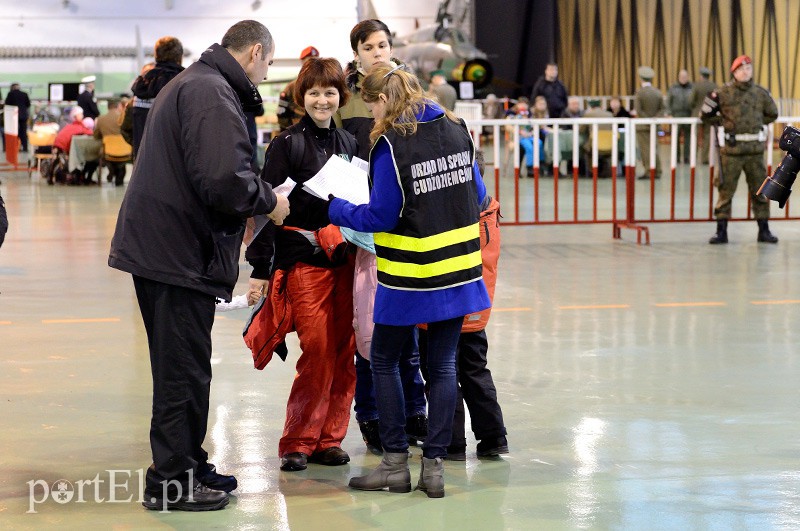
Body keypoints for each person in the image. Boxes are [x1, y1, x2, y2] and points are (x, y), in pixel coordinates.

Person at [108, 20, 290, 512]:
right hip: (175, 252)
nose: (265, 73)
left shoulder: (199, 83)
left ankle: (186, 460)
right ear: (255, 52)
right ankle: (172, 481)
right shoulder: (211, 93)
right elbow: (224, 180)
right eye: (269, 64)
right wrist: (268, 200)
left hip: (168, 247)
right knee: (182, 372)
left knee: (185, 369)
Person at [333, 64, 491, 499]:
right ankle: (434, 469)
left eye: (370, 107)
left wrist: (338, 209)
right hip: (458, 269)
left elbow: (381, 216)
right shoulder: (457, 128)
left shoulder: (391, 144)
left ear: (381, 99)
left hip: (409, 276)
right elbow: (479, 196)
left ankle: (394, 465)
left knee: (383, 360)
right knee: (442, 366)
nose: (372, 117)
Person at [244, 57, 359, 473]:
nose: (322, 100)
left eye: (330, 92)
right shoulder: (286, 145)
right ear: (301, 97)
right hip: (304, 263)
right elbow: (263, 210)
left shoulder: (349, 144)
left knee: (346, 351)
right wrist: (259, 269)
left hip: (345, 261)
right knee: (318, 350)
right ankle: (298, 439)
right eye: (314, 92)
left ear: (340, 96)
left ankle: (330, 438)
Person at [334, 18, 428, 455]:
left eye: (384, 44)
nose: (378, 52)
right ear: (356, 52)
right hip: (359, 224)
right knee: (367, 330)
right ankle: (370, 415)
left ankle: (415, 412)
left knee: (405, 326)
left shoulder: (410, 91)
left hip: (402, 223)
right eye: (369, 46)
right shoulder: (343, 98)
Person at [418, 150, 506, 461]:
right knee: (475, 371)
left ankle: (451, 442)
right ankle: (493, 437)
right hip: (476, 308)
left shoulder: (448, 211)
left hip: (441, 307)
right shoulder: (487, 210)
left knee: (441, 372)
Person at [700, 55, 778, 244]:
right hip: (732, 151)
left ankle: (764, 230)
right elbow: (705, 114)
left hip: (754, 151)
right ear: (734, 72)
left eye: (749, 69)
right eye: (742, 69)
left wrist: (757, 123)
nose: (746, 72)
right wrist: (723, 122)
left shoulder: (760, 93)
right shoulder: (721, 93)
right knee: (725, 191)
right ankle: (721, 231)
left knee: (760, 191)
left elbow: (772, 113)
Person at [130, 36, 184, 158]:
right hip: (173, 164)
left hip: (143, 163)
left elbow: (127, 125)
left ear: (156, 56)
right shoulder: (183, 82)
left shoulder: (141, 84)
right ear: (180, 57)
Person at [276, 45, 319, 132]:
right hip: (298, 131)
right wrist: (288, 132)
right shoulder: (291, 87)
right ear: (302, 62)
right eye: (309, 60)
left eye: (315, 60)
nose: (312, 64)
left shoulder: (324, 84)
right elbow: (282, 112)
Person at [633, 66, 665, 179]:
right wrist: (654, 119)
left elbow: (638, 110)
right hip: (655, 125)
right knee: (654, 148)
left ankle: (648, 171)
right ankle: (658, 170)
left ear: (641, 79)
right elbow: (662, 109)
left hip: (643, 126)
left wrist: (647, 119)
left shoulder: (639, 93)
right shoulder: (657, 92)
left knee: (645, 150)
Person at [93, 97, 130, 186]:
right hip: (124, 150)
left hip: (108, 151)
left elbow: (96, 136)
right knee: (121, 162)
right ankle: (118, 177)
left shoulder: (101, 119)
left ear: (108, 107)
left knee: (107, 156)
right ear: (117, 106)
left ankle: (112, 170)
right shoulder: (123, 117)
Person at [667, 69, 693, 163]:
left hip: (688, 115)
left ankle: (687, 157)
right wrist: (669, 113)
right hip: (676, 115)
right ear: (679, 77)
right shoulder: (673, 88)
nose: (683, 78)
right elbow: (668, 101)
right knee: (675, 137)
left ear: (688, 77)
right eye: (681, 77)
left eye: (685, 77)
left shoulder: (692, 87)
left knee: (688, 137)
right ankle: (676, 157)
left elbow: (695, 101)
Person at [691, 66, 717, 164]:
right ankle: (704, 158)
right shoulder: (714, 86)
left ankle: (693, 156)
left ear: (701, 76)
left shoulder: (696, 86)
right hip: (709, 114)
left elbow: (691, 101)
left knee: (695, 136)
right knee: (707, 136)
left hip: (696, 114)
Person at [4, 83, 31, 154]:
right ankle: (25, 147)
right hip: (23, 116)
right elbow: (28, 104)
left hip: (14, 116)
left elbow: (7, 104)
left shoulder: (10, 94)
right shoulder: (24, 94)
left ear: (12, 88)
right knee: (23, 132)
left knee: (14, 132)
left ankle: (15, 147)